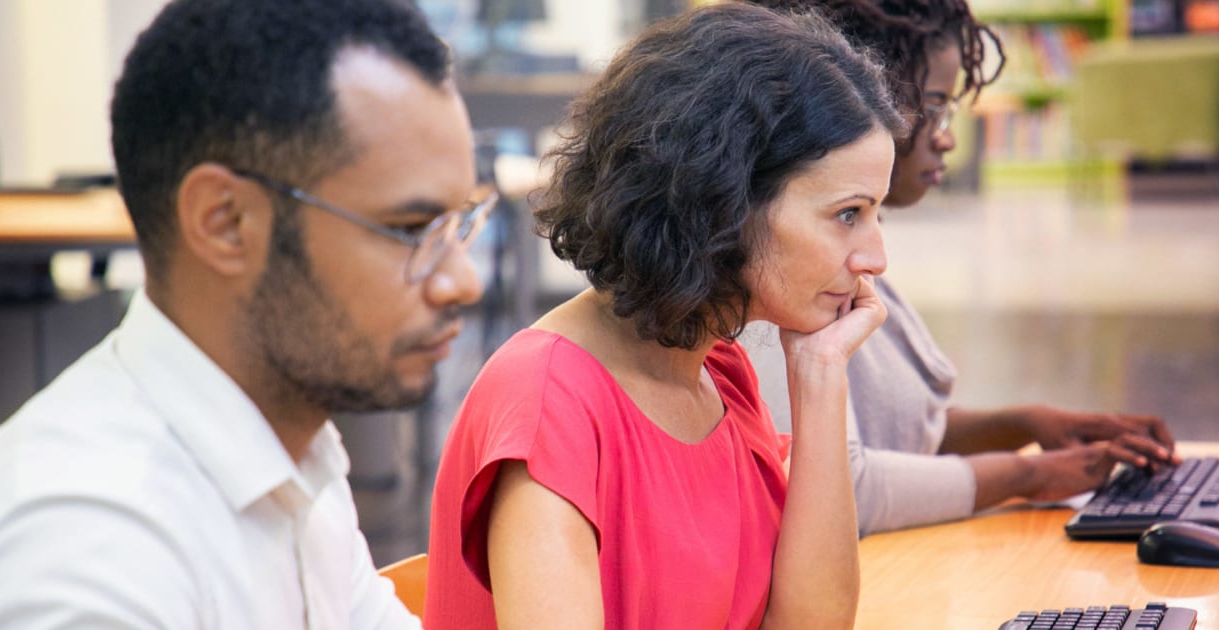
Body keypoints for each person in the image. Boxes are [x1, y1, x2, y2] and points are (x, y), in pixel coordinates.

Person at [0, 0, 494, 627]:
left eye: (458, 225)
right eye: (409, 229)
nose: (463, 281)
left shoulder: (290, 456)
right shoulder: (87, 556)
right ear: (226, 223)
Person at [425, 4, 905, 628]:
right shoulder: (548, 401)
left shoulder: (719, 374)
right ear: (724, 199)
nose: (876, 258)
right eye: (848, 214)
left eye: (876, 215)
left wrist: (819, 375)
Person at [741, 0, 1178, 537]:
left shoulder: (847, 259)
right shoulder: (781, 283)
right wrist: (1027, 474)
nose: (946, 136)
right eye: (937, 107)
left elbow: (900, 436)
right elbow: (840, 486)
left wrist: (1027, 425)